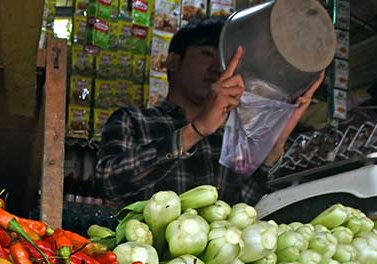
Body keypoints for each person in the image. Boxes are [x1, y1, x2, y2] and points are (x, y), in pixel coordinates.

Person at [96, 17, 323, 207]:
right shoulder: (133, 121)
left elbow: (247, 206)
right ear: (174, 62)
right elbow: (109, 183)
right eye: (206, 54)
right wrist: (196, 130)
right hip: (144, 258)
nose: (217, 67)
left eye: (224, 59)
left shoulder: (234, 137)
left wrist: (273, 148)